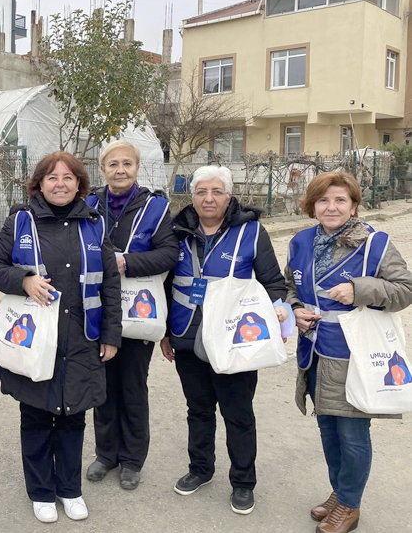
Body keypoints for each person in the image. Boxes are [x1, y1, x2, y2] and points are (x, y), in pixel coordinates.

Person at [0, 151, 122, 523]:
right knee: (35, 416)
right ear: (39, 184)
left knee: (74, 415)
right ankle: (42, 491)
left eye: (68, 177)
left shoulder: (94, 224)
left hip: (82, 337)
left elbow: (109, 282)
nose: (60, 184)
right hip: (34, 340)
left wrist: (111, 333)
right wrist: (24, 280)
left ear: (79, 184)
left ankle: (70, 489)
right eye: (51, 178)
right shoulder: (21, 221)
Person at [284, 171, 412, 533]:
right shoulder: (301, 242)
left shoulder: (375, 243)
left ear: (354, 205)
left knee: (353, 435)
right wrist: (295, 309)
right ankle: (341, 493)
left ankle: (350, 506)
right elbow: (288, 285)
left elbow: (405, 289)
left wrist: (359, 289)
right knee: (327, 428)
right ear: (312, 205)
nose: (331, 207)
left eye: (340, 200)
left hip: (354, 356)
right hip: (313, 353)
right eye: (323, 200)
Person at [161, 165, 286, 516]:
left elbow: (273, 281)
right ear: (193, 196)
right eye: (201, 191)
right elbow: (168, 286)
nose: (209, 198)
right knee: (198, 410)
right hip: (187, 337)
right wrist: (167, 334)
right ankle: (200, 469)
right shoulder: (179, 231)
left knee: (238, 413)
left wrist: (281, 314)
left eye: (217, 192)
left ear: (229, 197)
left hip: (233, 341)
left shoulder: (251, 232)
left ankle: (243, 482)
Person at [83, 140, 179, 490]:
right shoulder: (89, 204)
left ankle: (133, 459)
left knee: (133, 385)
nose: (120, 170)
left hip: (138, 309)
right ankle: (106, 454)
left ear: (137, 168)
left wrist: (128, 262)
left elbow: (170, 254)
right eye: (113, 164)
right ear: (102, 168)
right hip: (98, 309)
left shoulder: (156, 207)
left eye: (127, 163)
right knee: (102, 384)